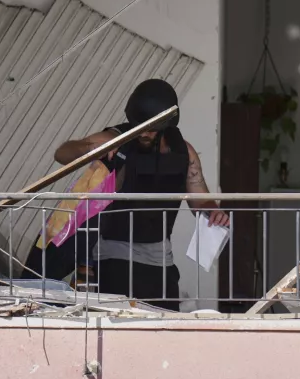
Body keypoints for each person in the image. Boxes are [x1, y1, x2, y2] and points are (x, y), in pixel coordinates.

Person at [51, 78, 228, 310]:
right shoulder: (116, 138)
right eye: (139, 127)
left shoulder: (183, 152)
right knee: (119, 320)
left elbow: (201, 199)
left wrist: (213, 212)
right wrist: (89, 150)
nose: (144, 134)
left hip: (159, 255)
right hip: (112, 251)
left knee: (163, 319)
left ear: (166, 126)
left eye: (151, 129)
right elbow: (62, 154)